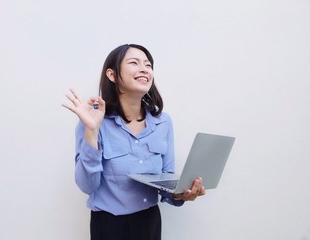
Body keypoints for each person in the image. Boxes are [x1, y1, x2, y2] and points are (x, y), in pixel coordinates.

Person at [62, 44, 206, 240]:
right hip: (109, 226)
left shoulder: (163, 122)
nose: (144, 69)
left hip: (149, 222)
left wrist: (181, 194)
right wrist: (92, 130)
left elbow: (166, 179)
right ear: (112, 75)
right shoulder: (93, 121)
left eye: (148, 64)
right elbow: (87, 186)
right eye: (134, 63)